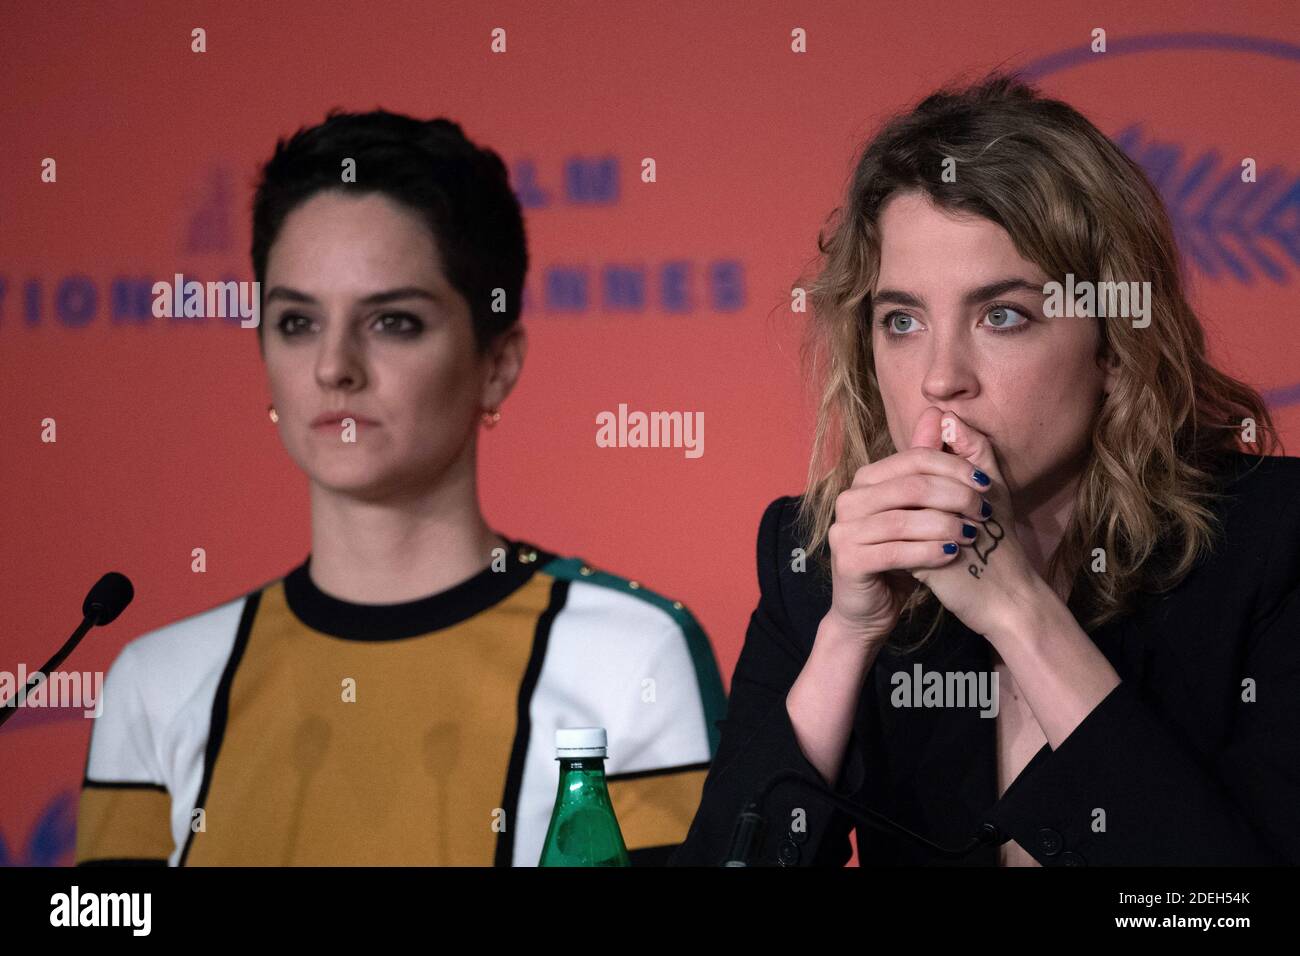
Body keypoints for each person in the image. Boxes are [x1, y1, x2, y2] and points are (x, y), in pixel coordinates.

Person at [671, 74, 1300, 866]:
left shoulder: (1271, 544)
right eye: (901, 321)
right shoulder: (817, 563)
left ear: (1113, 344)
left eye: (1001, 315)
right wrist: (846, 636)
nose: (940, 378)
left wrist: (1018, 610)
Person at [75, 110, 725, 866]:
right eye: (296, 322)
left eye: (392, 321)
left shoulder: (632, 657)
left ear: (498, 363)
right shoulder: (156, 682)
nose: (333, 366)